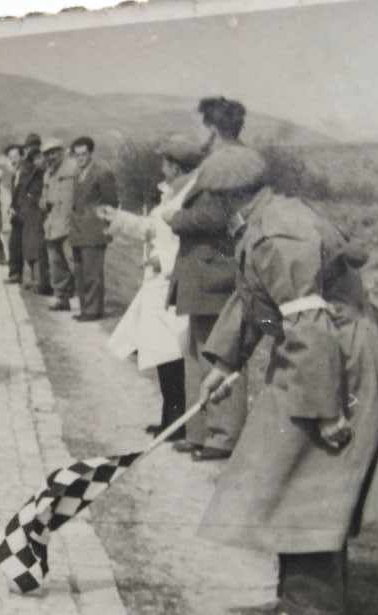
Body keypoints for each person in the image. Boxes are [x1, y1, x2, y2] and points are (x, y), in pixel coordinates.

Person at [196, 143, 378, 615]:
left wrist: (325, 411)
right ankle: (307, 598)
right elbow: (259, 306)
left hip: (334, 357)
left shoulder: (277, 234)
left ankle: (312, 609)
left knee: (309, 473)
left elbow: (306, 325)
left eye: (210, 199)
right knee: (299, 469)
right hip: (323, 350)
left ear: (227, 198)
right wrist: (227, 361)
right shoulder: (267, 219)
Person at [167, 97, 252, 461]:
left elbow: (216, 218)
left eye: (199, 126)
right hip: (205, 270)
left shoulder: (230, 165)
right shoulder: (224, 163)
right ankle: (200, 431)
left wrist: (176, 218)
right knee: (199, 351)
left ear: (212, 128)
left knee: (221, 354)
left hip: (216, 271)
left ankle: (223, 436)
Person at [101, 135, 203, 439]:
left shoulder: (188, 197)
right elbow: (152, 229)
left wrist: (163, 262)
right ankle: (170, 418)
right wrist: (117, 218)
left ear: (175, 165)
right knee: (162, 351)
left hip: (173, 284)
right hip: (159, 284)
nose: (161, 166)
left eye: (165, 161)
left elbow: (189, 243)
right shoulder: (170, 195)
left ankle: (177, 422)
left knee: (171, 352)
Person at [68, 136, 118, 320]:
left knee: (92, 272)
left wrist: (105, 225)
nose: (80, 158)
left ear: (90, 153)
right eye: (77, 154)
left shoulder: (101, 173)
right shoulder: (76, 174)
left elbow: (111, 202)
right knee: (80, 272)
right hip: (78, 230)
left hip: (94, 229)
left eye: (84, 154)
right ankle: (85, 308)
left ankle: (93, 310)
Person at [39, 138, 76, 310]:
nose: (50, 157)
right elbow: (44, 198)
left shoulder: (72, 170)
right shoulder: (48, 174)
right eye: (47, 154)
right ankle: (62, 298)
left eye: (54, 152)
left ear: (61, 152)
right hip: (52, 225)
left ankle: (87, 300)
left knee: (75, 263)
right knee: (56, 264)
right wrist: (43, 201)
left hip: (69, 224)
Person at [18, 133, 49, 294]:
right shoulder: (27, 166)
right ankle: (32, 279)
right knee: (30, 246)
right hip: (29, 210)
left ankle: (40, 282)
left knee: (37, 246)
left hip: (36, 209)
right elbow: (21, 187)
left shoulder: (39, 165)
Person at [4, 143, 25, 285]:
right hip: (16, 216)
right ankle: (15, 274)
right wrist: (11, 207)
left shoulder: (25, 174)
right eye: (10, 157)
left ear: (22, 156)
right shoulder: (14, 175)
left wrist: (17, 210)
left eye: (15, 157)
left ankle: (18, 274)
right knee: (14, 244)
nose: (13, 160)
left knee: (19, 244)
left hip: (24, 215)